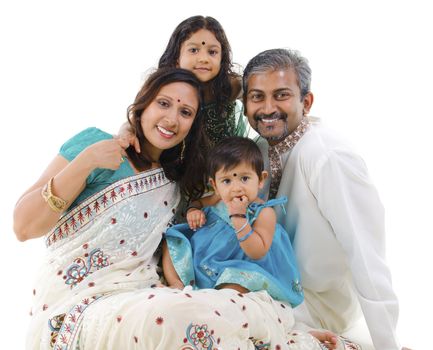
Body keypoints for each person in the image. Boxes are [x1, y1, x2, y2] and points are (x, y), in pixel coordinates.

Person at [14, 67, 341, 349]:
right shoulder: (94, 145)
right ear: (143, 102)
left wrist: (289, 110)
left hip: (142, 294)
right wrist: (84, 164)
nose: (172, 119)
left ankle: (280, 332)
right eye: (164, 103)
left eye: (185, 112)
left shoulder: (175, 184)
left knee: (217, 305)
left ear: (192, 124)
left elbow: (190, 244)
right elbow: (23, 226)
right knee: (173, 317)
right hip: (76, 305)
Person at [242, 48, 401, 350]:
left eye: (281, 95)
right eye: (257, 96)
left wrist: (387, 344)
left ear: (306, 101)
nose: (268, 108)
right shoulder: (259, 149)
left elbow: (366, 253)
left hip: (316, 305)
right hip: (270, 286)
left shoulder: (327, 156)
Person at [163, 136, 304, 305]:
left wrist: (239, 217)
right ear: (215, 185)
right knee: (174, 240)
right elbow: (198, 202)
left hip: (240, 266)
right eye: (227, 181)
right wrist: (193, 210)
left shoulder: (264, 213)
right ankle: (176, 284)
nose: (236, 188)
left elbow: (257, 252)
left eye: (244, 178)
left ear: (260, 179)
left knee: (238, 284)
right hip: (204, 256)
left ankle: (219, 303)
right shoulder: (217, 198)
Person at [125, 15, 255, 151]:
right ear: (176, 57)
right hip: (179, 158)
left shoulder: (230, 85)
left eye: (212, 52)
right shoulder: (162, 85)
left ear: (222, 59)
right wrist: (125, 132)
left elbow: (257, 95)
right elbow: (137, 117)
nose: (204, 58)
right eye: (193, 50)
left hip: (223, 160)